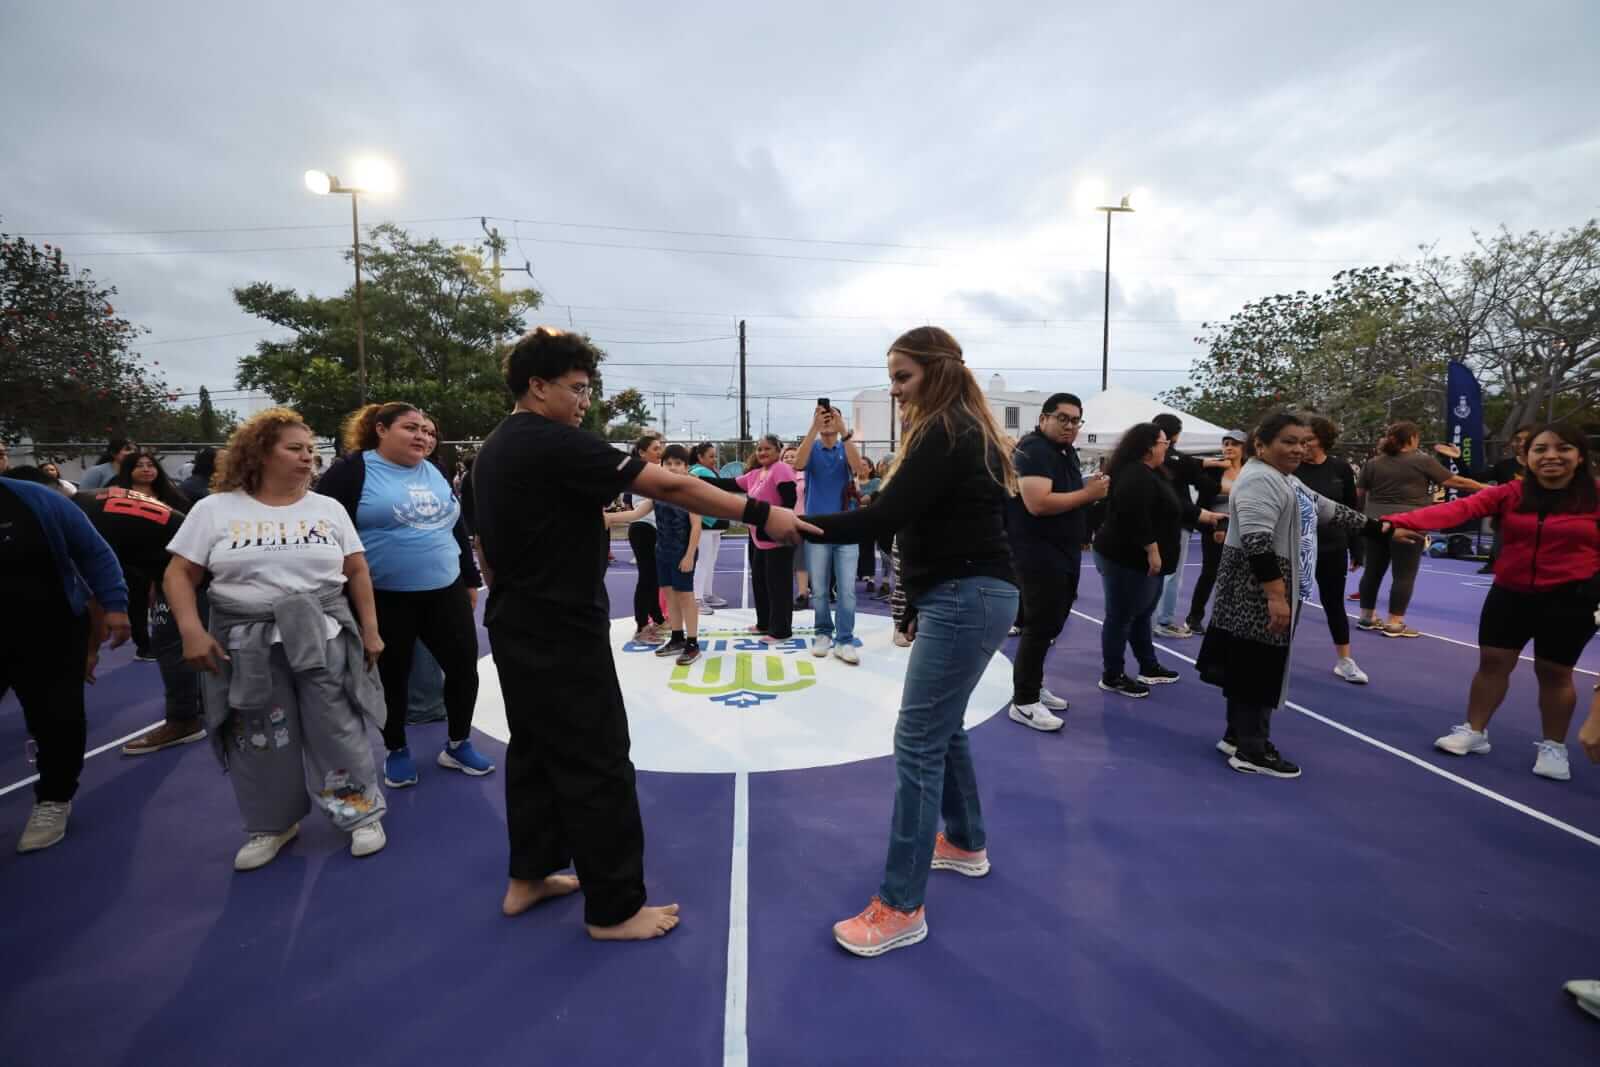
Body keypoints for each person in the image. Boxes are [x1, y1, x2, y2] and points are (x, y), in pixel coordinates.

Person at [470, 326, 812, 940]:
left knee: (535, 753)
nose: (584, 401)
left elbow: (487, 552)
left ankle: (530, 875)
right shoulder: (552, 442)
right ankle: (615, 909)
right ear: (538, 386)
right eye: (576, 388)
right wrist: (764, 513)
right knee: (597, 761)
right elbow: (670, 485)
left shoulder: (496, 448)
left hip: (517, 623)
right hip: (561, 630)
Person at [794, 326, 1021, 958]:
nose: (895, 390)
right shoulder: (955, 429)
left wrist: (791, 523)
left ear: (937, 372)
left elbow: (885, 518)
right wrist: (920, 599)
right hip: (964, 594)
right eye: (891, 378)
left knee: (917, 741)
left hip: (966, 596)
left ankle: (900, 906)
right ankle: (966, 842)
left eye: (902, 376)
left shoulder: (945, 429)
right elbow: (929, 524)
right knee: (943, 730)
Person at [164, 408, 389, 870]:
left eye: (311, 450)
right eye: (295, 448)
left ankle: (357, 813)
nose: (308, 457)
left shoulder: (328, 509)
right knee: (260, 734)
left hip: (323, 636)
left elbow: (357, 570)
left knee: (337, 728)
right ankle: (272, 823)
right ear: (262, 452)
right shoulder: (215, 510)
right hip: (246, 644)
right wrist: (191, 630)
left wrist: (370, 630)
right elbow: (179, 574)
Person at [1384, 424, 1600, 781]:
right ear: (1526, 457)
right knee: (1492, 663)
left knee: (1555, 674)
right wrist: (1391, 522)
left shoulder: (1594, 497)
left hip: (1570, 599)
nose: (1551, 456)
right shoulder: (1510, 493)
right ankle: (1475, 730)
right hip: (1511, 594)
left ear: (1579, 456)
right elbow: (1454, 512)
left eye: (1563, 448)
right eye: (1540, 449)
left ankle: (1553, 746)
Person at [1197, 413, 1397, 778]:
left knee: (1248, 666)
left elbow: (1326, 507)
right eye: (1288, 441)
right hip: (1255, 591)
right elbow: (1257, 541)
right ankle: (1252, 750)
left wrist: (1380, 529)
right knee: (1258, 669)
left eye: (1303, 442)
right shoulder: (1260, 479)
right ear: (1261, 445)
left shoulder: (1283, 478)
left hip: (1266, 585)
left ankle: (1237, 736)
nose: (1298, 449)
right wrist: (1276, 596)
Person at [316, 402, 490, 790]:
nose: (423, 436)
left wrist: (469, 578)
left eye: (428, 431)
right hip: (384, 596)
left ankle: (458, 744)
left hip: (445, 591)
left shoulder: (435, 470)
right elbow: (326, 533)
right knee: (392, 676)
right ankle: (396, 748)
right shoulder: (351, 471)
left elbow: (454, 526)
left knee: (463, 668)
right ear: (380, 429)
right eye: (411, 428)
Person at [2, 467, 132, 852]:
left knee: (56, 718)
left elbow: (94, 552)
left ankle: (54, 798)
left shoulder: (35, 499)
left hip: (50, 630)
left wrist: (115, 606)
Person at [1093, 423, 1225, 698]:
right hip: (1126, 558)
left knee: (1142, 613)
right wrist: (1152, 550)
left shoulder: (1154, 473)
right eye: (1164, 442)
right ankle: (1112, 675)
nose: (1167, 447)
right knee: (1121, 616)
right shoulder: (1134, 475)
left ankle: (1148, 665)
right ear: (1148, 447)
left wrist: (1206, 516)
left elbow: (1176, 504)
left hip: (1144, 560)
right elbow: (1134, 517)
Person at [1005, 392, 1108, 732]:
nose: (1069, 425)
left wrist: (1085, 489)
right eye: (1062, 418)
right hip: (1038, 551)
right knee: (1040, 625)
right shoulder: (1034, 450)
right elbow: (1038, 503)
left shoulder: (1063, 452)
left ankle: (1032, 686)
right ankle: (1024, 701)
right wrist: (1088, 494)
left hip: (1062, 550)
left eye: (1075, 420)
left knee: (1051, 623)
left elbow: (1061, 492)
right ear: (1043, 418)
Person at [1356, 421, 1486, 637]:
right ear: (1412, 438)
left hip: (1376, 522)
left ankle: (1367, 617)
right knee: (1404, 575)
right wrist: (1486, 488)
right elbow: (1457, 482)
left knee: (1372, 572)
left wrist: (1363, 521)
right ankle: (1395, 623)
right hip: (1410, 523)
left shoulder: (1373, 463)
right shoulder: (1422, 460)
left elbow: (1359, 495)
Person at [1295, 417, 1371, 685]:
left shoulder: (1340, 468)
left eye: (1309, 439)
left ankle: (1345, 661)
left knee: (1334, 604)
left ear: (1323, 440)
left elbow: (1350, 509)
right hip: (1299, 548)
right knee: (1290, 605)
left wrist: (1356, 547)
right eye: (1301, 440)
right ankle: (1277, 657)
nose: (1303, 445)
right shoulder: (1292, 468)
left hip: (1333, 548)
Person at [795, 402, 865, 664]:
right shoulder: (811, 448)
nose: (826, 420)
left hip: (846, 527)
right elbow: (798, 463)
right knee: (820, 589)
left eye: (831, 417)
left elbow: (859, 469)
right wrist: (813, 427)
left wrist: (843, 430)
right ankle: (823, 633)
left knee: (847, 590)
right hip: (817, 527)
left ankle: (845, 639)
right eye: (822, 416)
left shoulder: (845, 445)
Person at [1151, 413, 1216, 639]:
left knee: (1154, 571)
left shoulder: (1149, 459)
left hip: (1154, 523)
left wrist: (1211, 463)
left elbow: (1189, 463)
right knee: (1171, 573)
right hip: (1177, 523)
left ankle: (1149, 618)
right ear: (1176, 435)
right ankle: (1164, 621)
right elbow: (1201, 478)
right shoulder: (1178, 461)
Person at [734, 436, 800, 639]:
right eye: (759, 449)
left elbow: (790, 500)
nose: (762, 452)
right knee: (760, 581)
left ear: (778, 451)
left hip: (777, 536)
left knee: (778, 585)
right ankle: (764, 623)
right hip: (757, 537)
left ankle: (780, 630)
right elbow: (727, 484)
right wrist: (693, 480)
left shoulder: (781, 469)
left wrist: (775, 524)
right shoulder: (755, 474)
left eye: (767, 449)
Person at [1185, 429, 1247, 634]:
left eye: (1234, 444)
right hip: (1215, 528)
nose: (1229, 447)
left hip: (1244, 528)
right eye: (1226, 443)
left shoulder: (1251, 470)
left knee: (1240, 575)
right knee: (1210, 573)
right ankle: (1194, 618)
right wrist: (1217, 526)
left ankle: (1232, 617)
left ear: (1244, 448)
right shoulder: (1214, 469)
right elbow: (1203, 492)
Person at [621, 433, 667, 644]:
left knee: (653, 578)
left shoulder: (653, 470)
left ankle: (657, 619)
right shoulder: (642, 472)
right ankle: (641, 627)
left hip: (651, 528)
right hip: (642, 529)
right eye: (655, 448)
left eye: (660, 447)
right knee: (647, 578)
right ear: (642, 452)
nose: (660, 451)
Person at [1479, 425, 1533, 573]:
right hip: (1506, 521)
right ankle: (1493, 563)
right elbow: (1474, 478)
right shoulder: (1504, 466)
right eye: (1517, 439)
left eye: (1526, 439)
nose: (1521, 443)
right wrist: (1458, 459)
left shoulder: (1545, 467)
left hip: (1534, 521)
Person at [688, 442, 731, 612]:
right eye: (711, 456)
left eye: (715, 456)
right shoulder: (699, 472)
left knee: (710, 561)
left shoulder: (708, 471)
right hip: (705, 524)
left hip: (714, 525)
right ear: (700, 457)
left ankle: (706, 594)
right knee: (703, 561)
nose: (714, 459)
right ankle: (696, 599)